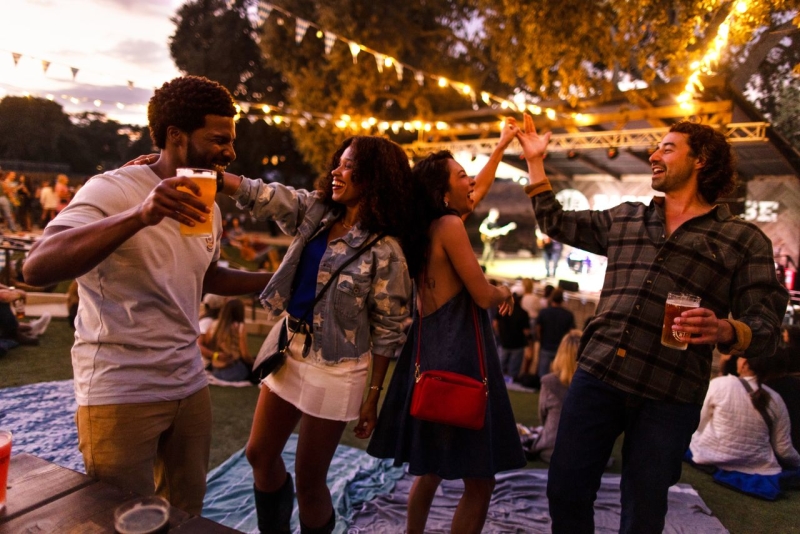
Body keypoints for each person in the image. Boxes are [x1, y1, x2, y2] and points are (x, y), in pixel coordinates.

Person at [516, 114, 789, 533]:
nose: (652, 153)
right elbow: (555, 220)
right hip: (599, 376)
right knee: (565, 491)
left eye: (667, 147)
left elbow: (767, 323)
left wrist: (726, 330)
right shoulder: (625, 218)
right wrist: (535, 161)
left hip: (671, 394)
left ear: (701, 160)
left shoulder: (743, 239)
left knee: (643, 511)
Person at [22, 75, 272, 515]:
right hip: (121, 389)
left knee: (186, 514)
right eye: (218, 139)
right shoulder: (113, 189)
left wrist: (269, 281)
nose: (230, 152)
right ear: (175, 136)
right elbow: (37, 265)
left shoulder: (207, 202)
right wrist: (141, 214)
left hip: (189, 384)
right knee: (121, 520)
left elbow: (206, 273)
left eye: (230, 141)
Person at [218, 135, 415, 534]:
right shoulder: (317, 211)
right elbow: (267, 195)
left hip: (338, 368)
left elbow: (389, 331)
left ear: (375, 177)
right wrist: (216, 177)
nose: (336, 172)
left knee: (310, 482)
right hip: (289, 347)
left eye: (348, 166)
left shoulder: (386, 250)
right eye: (337, 163)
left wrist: (372, 397)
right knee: (259, 454)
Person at [368, 118, 526, 534]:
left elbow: (479, 189)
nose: (471, 180)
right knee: (481, 481)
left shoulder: (428, 227)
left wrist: (501, 146)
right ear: (443, 192)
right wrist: (505, 290)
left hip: (428, 350)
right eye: (462, 176)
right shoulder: (452, 226)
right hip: (460, 355)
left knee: (431, 470)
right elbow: (480, 294)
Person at [688, 356, 800, 475]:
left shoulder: (719, 384)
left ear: (744, 363)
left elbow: (698, 424)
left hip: (708, 456)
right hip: (758, 467)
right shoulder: (776, 400)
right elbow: (783, 449)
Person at [528, 329, 582, 462]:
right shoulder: (594, 385)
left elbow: (543, 416)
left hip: (553, 449)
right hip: (587, 453)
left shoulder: (549, 382)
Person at [199, 298, 254, 382]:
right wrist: (253, 363)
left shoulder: (213, 324)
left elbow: (207, 343)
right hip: (233, 371)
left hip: (216, 371)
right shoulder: (239, 326)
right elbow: (244, 354)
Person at [535, 288, 576, 378]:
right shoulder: (568, 315)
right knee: (558, 375)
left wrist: (540, 340)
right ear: (562, 299)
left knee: (542, 374)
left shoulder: (544, 312)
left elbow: (538, 328)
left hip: (546, 345)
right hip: (560, 348)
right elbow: (571, 332)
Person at [494, 291, 531, 380]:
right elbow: (526, 331)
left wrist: (499, 334)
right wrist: (529, 342)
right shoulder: (523, 313)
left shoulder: (502, 309)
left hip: (503, 342)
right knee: (513, 370)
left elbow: (495, 323)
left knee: (499, 367)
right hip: (517, 344)